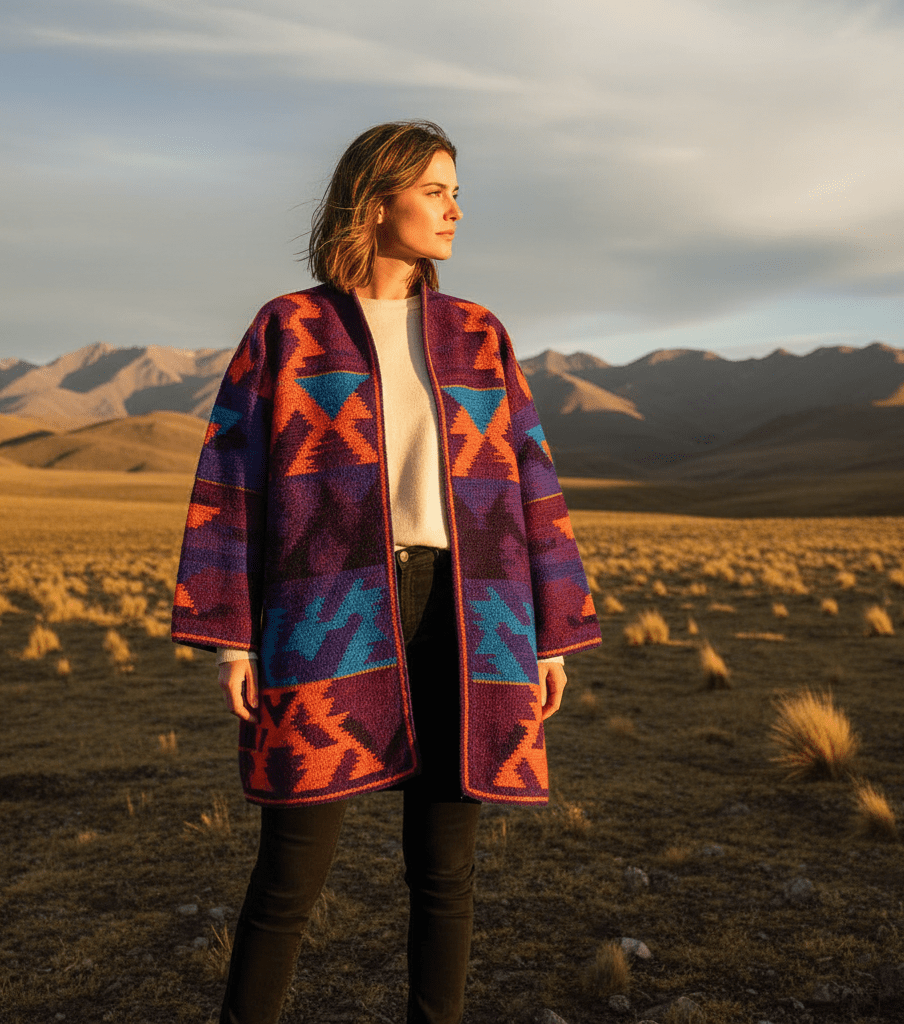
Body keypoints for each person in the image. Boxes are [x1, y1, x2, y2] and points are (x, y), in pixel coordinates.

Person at [172, 120, 601, 1024]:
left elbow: (533, 477)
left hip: (470, 609)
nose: (455, 210)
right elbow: (230, 480)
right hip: (326, 609)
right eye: (436, 191)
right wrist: (230, 636)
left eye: (457, 193)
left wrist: (551, 634)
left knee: (446, 871)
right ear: (376, 201)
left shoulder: (479, 335)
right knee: (291, 871)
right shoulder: (289, 328)